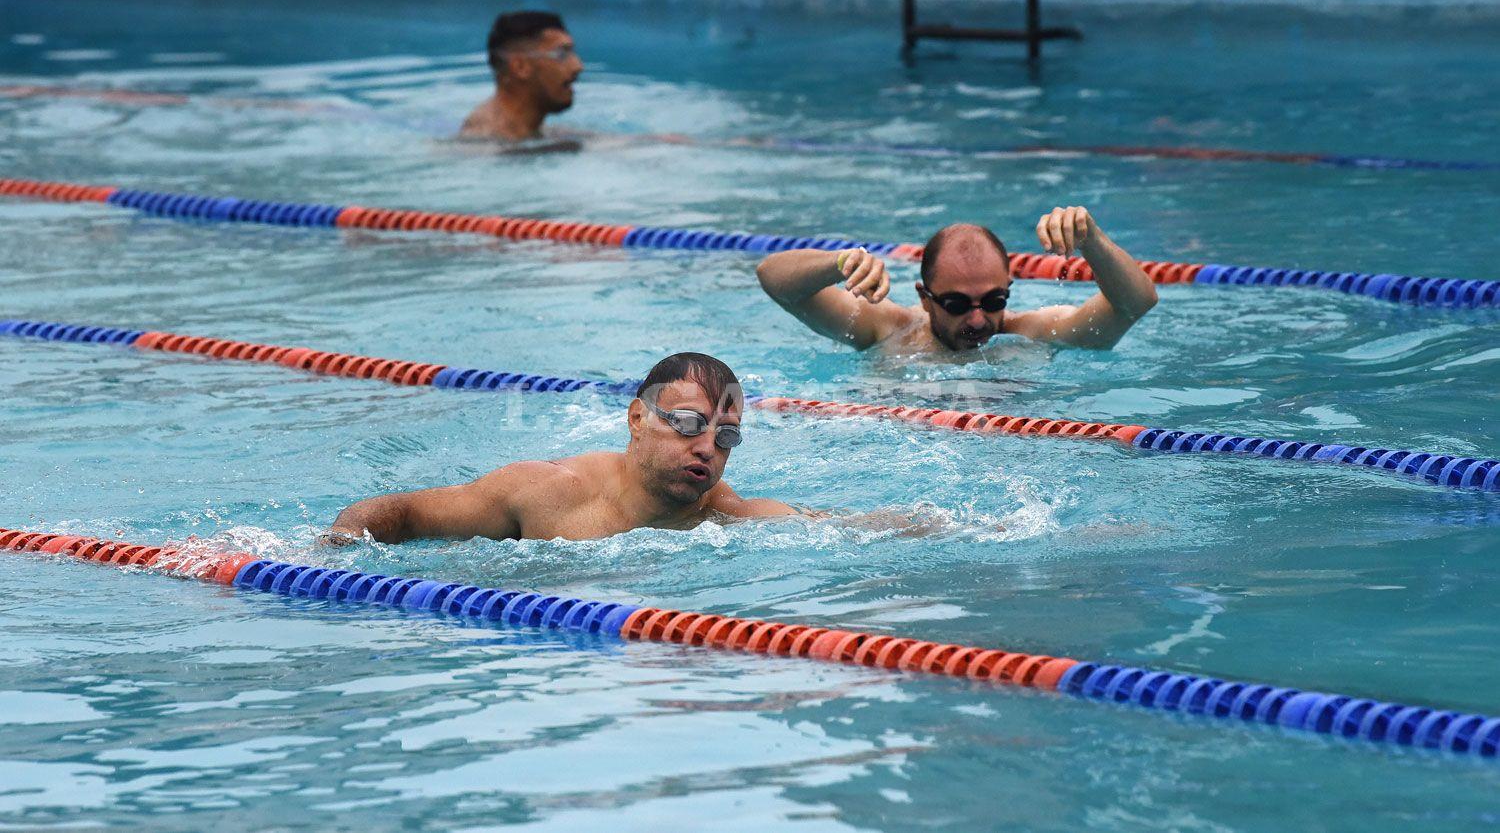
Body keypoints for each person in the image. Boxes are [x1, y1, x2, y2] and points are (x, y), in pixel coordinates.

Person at [326, 353, 796, 544]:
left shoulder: (727, 517)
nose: (707, 448)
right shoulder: (547, 490)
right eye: (690, 423)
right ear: (637, 418)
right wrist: (337, 550)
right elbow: (404, 512)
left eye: (726, 436)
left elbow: (848, 531)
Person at [756, 206, 1158, 354]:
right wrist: (837, 263)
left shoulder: (1034, 334)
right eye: (957, 304)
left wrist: (1093, 241)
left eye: (995, 300)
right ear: (925, 298)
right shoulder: (886, 330)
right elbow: (774, 280)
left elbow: (1134, 304)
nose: (979, 319)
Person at [460, 11, 584, 141]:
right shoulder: (482, 145)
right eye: (561, 54)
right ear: (520, 67)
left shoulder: (534, 133)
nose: (578, 66)